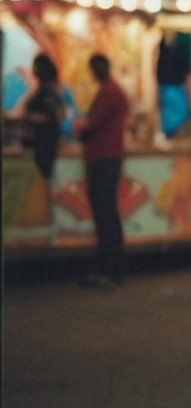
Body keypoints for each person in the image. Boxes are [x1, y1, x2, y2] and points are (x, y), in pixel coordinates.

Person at [77, 53, 129, 288]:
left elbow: (91, 124)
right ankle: (113, 268)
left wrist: (79, 127)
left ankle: (110, 269)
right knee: (109, 213)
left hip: (103, 157)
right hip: (110, 156)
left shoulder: (108, 93)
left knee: (104, 213)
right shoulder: (115, 91)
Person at [20, 53, 66, 180]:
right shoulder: (53, 89)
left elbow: (51, 115)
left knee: (40, 181)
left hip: (43, 142)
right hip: (46, 141)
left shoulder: (46, 91)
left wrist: (29, 117)